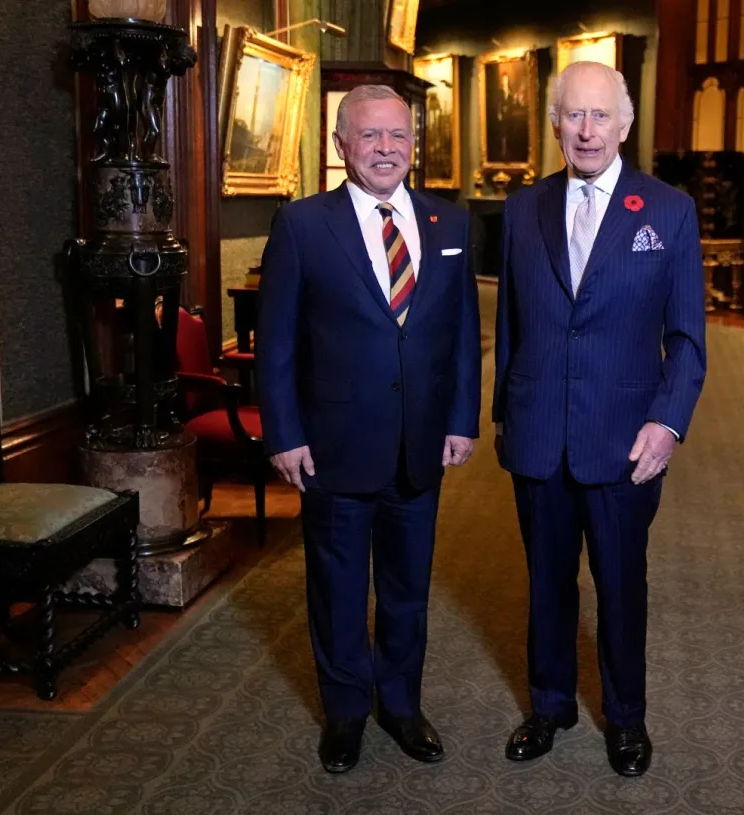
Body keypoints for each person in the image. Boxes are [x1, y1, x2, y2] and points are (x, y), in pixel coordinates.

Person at [256, 84, 480, 773]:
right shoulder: (302, 225)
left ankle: (402, 706)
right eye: (371, 136)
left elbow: (464, 334)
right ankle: (347, 712)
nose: (387, 149)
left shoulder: (450, 224)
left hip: (419, 445)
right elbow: (278, 343)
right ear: (342, 146)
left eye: (399, 136)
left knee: (409, 588)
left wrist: (462, 419)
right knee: (339, 585)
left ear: (415, 144)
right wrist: (284, 433)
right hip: (333, 447)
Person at [493, 61, 706, 778]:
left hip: (624, 443)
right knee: (546, 582)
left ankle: (626, 718)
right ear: (554, 122)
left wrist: (667, 424)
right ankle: (549, 704)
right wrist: (503, 417)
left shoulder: (669, 211)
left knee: (621, 583)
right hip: (537, 437)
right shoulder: (522, 210)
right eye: (572, 115)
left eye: (600, 116)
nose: (586, 130)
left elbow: (687, 341)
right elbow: (513, 322)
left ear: (626, 123)